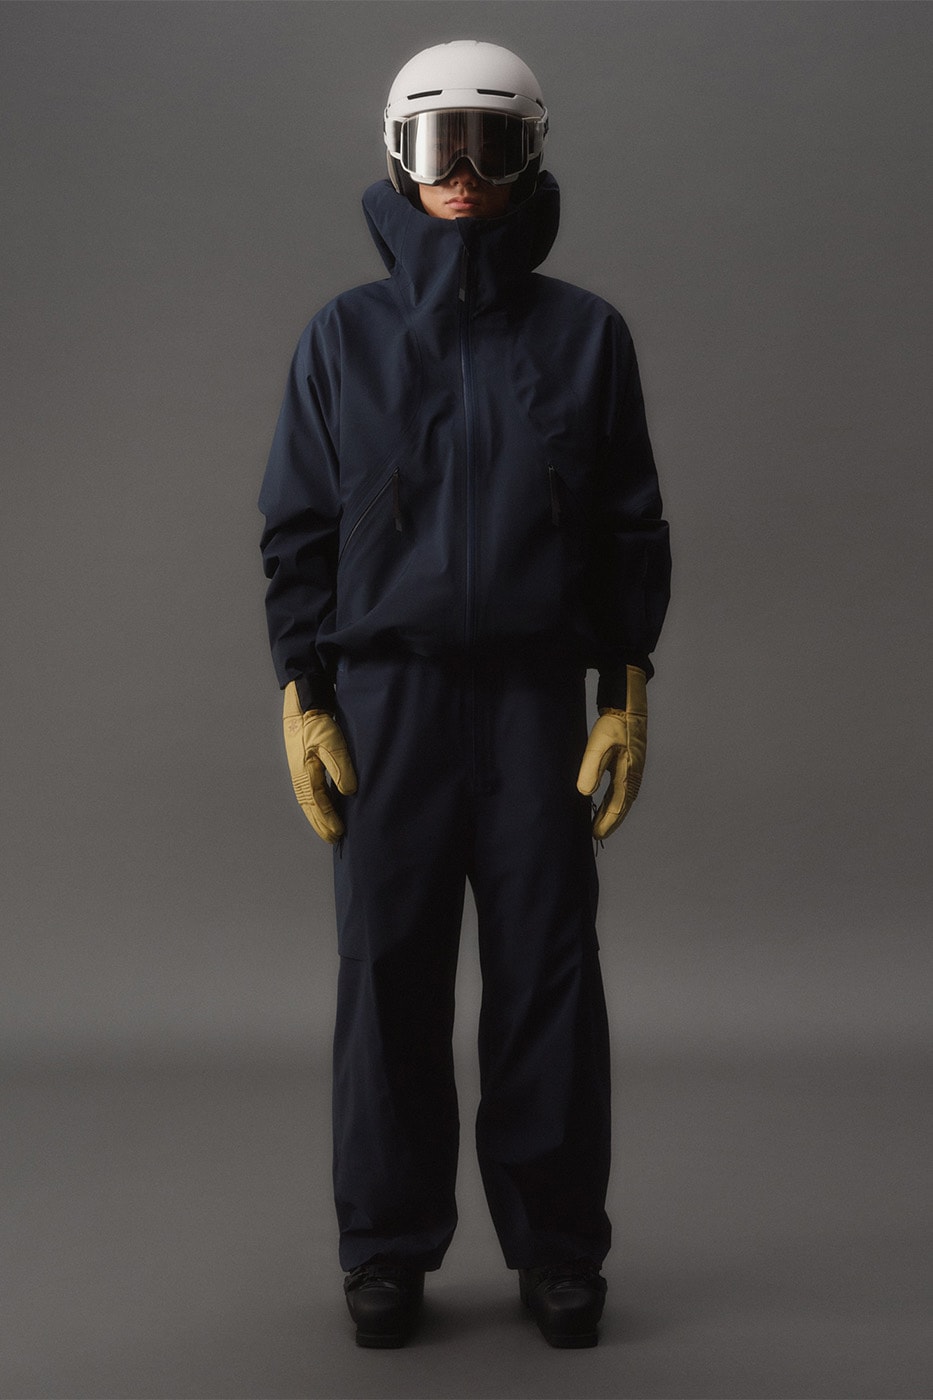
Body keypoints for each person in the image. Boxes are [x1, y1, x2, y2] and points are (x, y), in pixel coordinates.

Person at [259, 39, 671, 1350]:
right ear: (398, 157)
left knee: (549, 971)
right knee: (387, 969)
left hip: (534, 703)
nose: (465, 175)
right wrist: (303, 690)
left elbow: (627, 526)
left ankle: (557, 1249)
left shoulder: (585, 336)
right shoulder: (344, 339)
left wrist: (625, 686)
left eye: (494, 145)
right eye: (441, 145)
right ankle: (385, 1248)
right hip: (389, 705)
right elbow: (298, 531)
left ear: (530, 157)